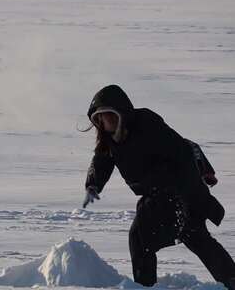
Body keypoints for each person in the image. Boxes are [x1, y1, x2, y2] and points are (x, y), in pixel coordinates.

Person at [82, 84, 235, 288]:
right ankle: (145, 285)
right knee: (142, 239)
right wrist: (93, 184)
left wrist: (189, 199)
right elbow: (100, 162)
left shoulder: (147, 124)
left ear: (121, 112)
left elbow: (182, 152)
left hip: (180, 191)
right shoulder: (110, 141)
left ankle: (231, 280)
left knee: (192, 234)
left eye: (107, 115)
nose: (103, 121)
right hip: (155, 196)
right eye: (99, 117)